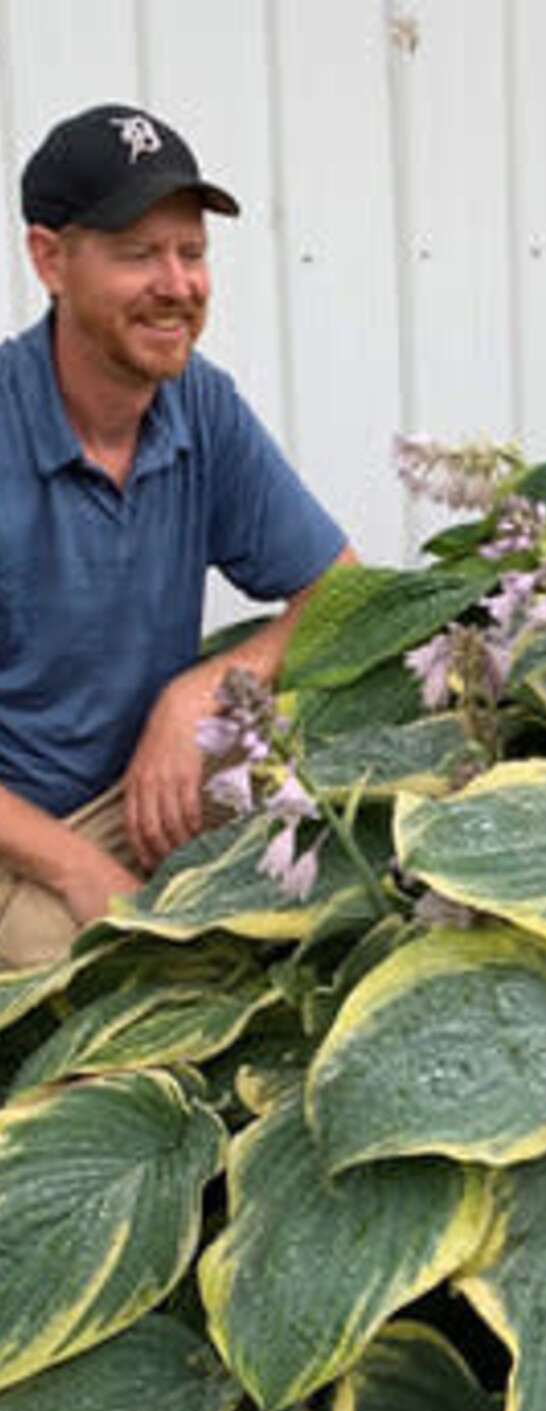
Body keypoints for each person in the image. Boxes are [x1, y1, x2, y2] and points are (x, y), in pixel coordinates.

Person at [0, 103, 354, 969]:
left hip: (150, 793)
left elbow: (345, 593)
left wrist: (202, 690)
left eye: (190, 253)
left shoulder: (202, 406)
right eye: (137, 254)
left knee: (345, 875)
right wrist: (76, 867)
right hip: (20, 830)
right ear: (50, 258)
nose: (177, 284)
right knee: (103, 1003)